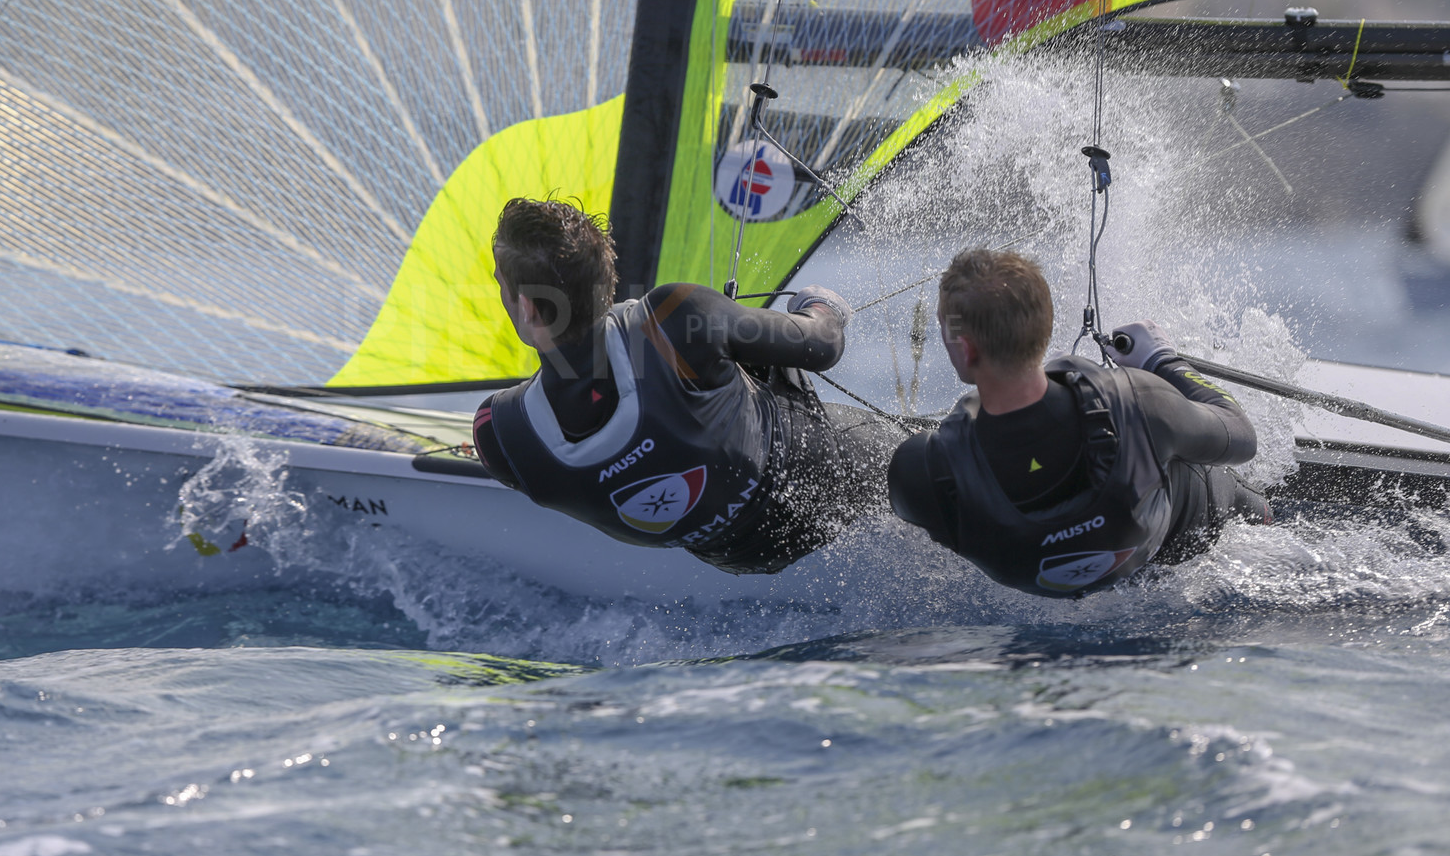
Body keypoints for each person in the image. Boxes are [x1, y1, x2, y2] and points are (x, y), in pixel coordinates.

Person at [472, 197, 903, 574]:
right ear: (608, 276)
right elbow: (823, 344)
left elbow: (587, 400)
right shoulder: (674, 320)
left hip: (746, 555)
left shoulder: (500, 436)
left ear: (526, 308)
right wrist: (820, 306)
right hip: (831, 476)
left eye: (500, 284)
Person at [887, 248, 1268, 597]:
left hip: (1032, 581)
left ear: (965, 348)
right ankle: (1266, 519)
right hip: (1167, 550)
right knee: (1196, 463)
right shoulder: (1141, 403)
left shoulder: (921, 469)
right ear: (1045, 327)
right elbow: (1241, 436)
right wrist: (1163, 360)